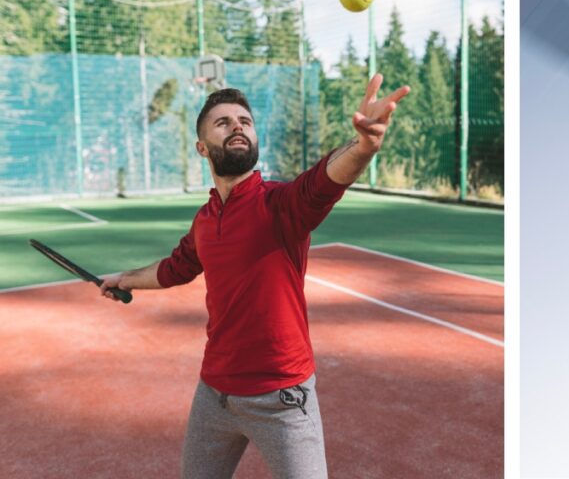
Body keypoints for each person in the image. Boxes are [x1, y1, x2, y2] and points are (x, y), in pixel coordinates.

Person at [99, 73, 410, 479]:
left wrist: (364, 145)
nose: (237, 127)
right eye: (223, 123)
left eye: (245, 121)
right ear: (202, 147)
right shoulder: (205, 220)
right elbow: (175, 268)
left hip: (281, 398)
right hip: (214, 394)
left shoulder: (281, 205)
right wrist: (124, 279)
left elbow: (323, 180)